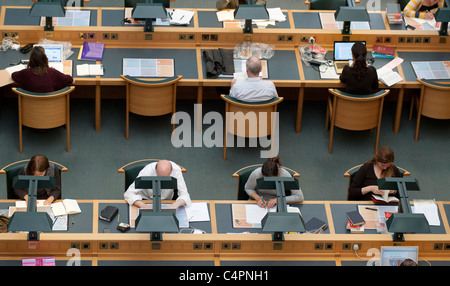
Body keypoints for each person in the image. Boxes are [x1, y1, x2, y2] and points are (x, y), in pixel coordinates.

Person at [124, 160, 191, 209]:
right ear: (155, 170)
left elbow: (185, 195)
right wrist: (142, 205)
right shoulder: (147, 171)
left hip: (166, 201)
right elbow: (128, 193)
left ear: (171, 171)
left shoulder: (176, 170)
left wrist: (176, 205)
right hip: (146, 200)